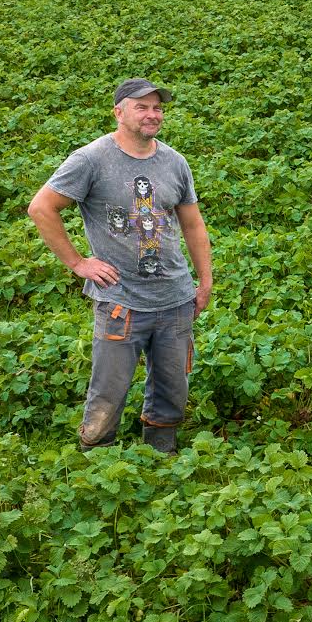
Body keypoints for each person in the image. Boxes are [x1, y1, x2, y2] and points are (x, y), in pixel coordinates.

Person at [28, 79, 213, 454]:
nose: (152, 115)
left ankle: (162, 452)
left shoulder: (174, 162)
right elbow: (41, 208)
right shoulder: (90, 159)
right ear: (119, 112)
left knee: (173, 386)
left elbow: (193, 224)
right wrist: (78, 262)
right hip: (120, 302)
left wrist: (204, 280)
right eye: (142, 107)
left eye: (157, 108)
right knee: (109, 389)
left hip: (175, 298)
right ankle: (95, 457)